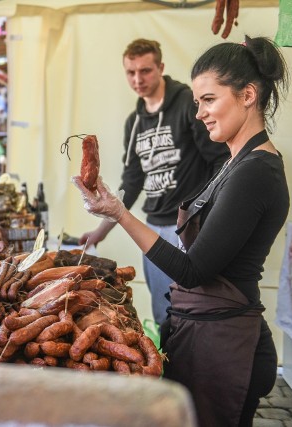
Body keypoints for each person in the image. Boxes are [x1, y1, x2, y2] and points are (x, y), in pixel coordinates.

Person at [73, 35, 289, 427]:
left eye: (209, 99)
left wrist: (119, 213)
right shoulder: (234, 161)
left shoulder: (256, 171)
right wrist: (110, 214)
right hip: (207, 338)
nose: (200, 113)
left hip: (228, 351)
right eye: (197, 102)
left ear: (247, 95)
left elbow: (194, 270)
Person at [78, 39, 229, 327]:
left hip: (188, 227)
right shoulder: (134, 122)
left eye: (145, 70)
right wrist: (101, 231)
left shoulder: (187, 104)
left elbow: (219, 160)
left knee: (193, 309)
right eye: (131, 72)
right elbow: (132, 182)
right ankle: (169, 369)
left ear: (160, 67)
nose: (138, 79)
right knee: (164, 312)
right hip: (152, 228)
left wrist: (207, 216)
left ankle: (191, 371)